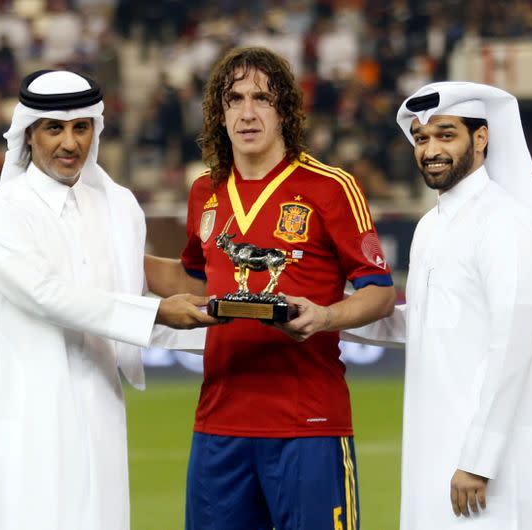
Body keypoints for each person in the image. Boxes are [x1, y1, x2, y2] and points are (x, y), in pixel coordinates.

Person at [0, 69, 219, 530]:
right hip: (22, 415)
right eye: (54, 128)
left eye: (82, 128)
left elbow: (121, 309)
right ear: (29, 134)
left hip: (99, 411)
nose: (69, 143)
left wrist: (229, 327)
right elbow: (46, 296)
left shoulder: (119, 209)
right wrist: (158, 310)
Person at [148, 46, 396, 530]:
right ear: (219, 115)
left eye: (262, 98)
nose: (247, 113)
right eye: (234, 99)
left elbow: (379, 291)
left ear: (285, 110)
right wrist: (104, 256)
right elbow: (194, 280)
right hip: (220, 423)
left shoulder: (331, 186)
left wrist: (325, 317)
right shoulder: (206, 191)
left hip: (308, 423)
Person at [343, 81, 532, 530]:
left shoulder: (507, 223)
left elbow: (512, 348)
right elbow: (424, 324)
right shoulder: (431, 226)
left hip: (490, 467)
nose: (431, 150)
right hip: (437, 451)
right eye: (422, 138)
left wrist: (479, 460)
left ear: (480, 139)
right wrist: (329, 317)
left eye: (447, 135)